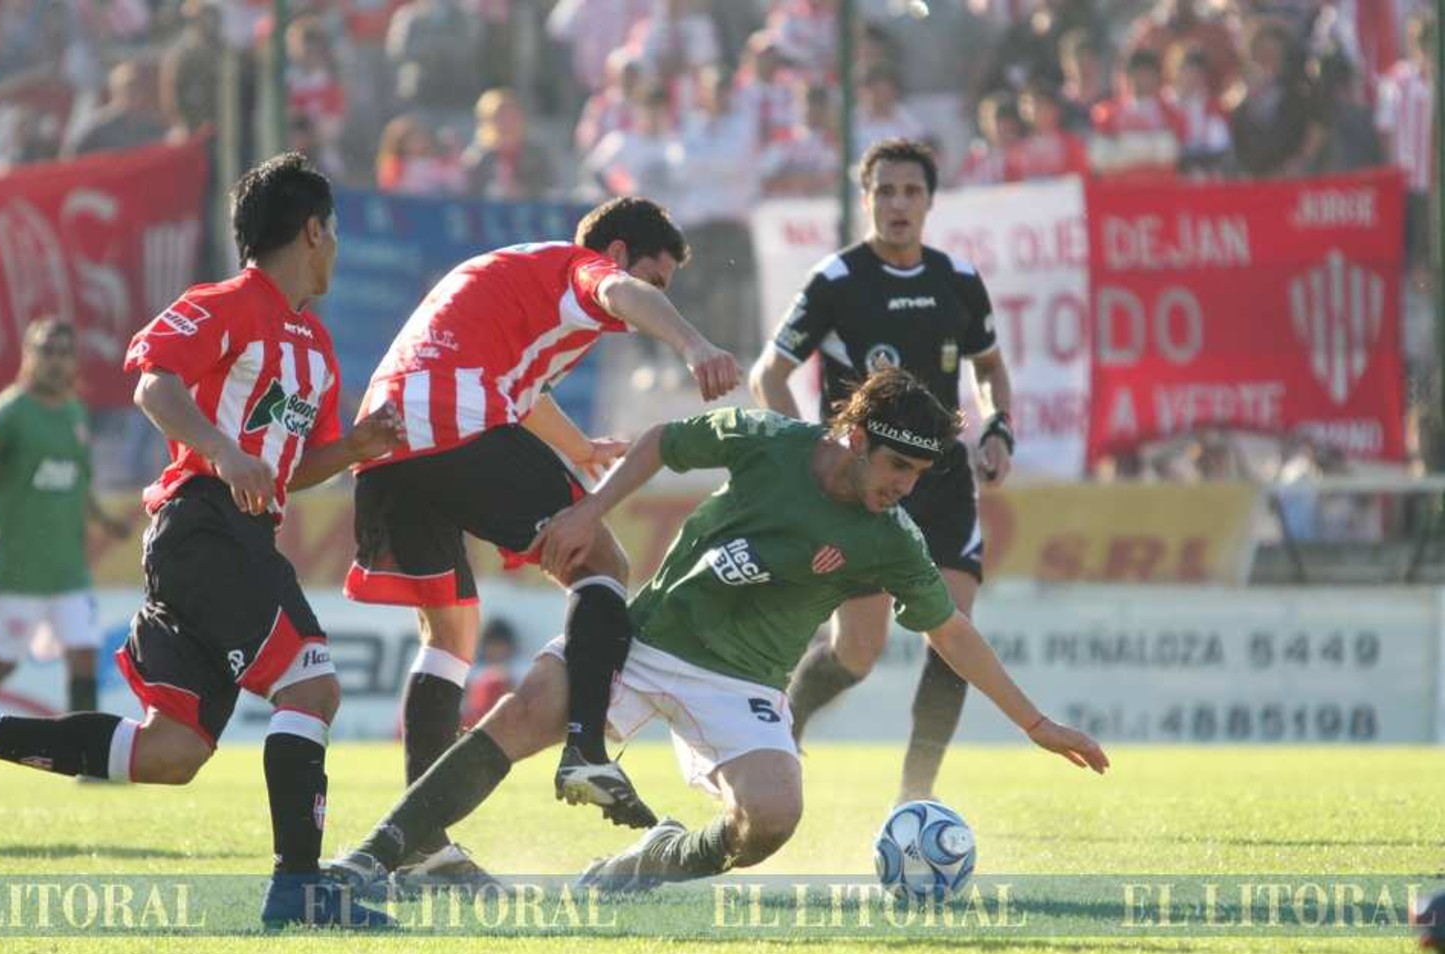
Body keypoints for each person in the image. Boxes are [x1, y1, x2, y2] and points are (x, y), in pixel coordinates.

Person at [326, 369, 1106, 891]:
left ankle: (656, 860)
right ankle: (374, 857)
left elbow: (953, 633)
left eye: (914, 478)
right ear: (857, 438)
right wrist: (592, 508)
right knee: (523, 711)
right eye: (896, 470)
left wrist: (1034, 722)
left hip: (742, 685)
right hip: (646, 640)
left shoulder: (890, 538)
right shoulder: (771, 444)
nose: (901, 491)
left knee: (772, 819)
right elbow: (664, 440)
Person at [0, 153, 402, 929]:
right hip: (205, 528)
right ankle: (299, 890)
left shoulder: (316, 350)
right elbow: (153, 382)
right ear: (310, 231)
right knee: (314, 688)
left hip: (227, 534)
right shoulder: (229, 303)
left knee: (173, 754)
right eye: (330, 231)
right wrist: (223, 453)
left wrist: (357, 448)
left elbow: (285, 474)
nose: (334, 246)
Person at [342, 196, 740, 873]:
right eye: (656, 279)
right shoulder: (583, 271)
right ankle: (584, 747)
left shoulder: (522, 280)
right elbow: (615, 290)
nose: (652, 298)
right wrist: (693, 343)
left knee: (449, 636)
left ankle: (422, 849)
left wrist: (579, 448)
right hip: (452, 415)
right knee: (600, 559)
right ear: (616, 253)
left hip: (386, 439)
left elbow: (521, 391)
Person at [748, 138, 1015, 806]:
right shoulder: (836, 282)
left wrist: (998, 425)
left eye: (911, 191)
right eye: (884, 191)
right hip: (862, 489)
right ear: (866, 198)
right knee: (857, 654)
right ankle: (790, 718)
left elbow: (989, 367)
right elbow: (767, 375)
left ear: (929, 200)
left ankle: (914, 796)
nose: (897, 204)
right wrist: (810, 453)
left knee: (953, 633)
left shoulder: (956, 280)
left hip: (944, 482)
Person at [0, 317, 130, 787]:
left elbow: (79, 483)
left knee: (84, 653)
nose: (56, 359)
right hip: (16, 567)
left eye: (65, 351)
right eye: (47, 350)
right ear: (29, 354)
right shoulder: (8, 413)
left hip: (67, 568)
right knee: (1, 661)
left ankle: (87, 762)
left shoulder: (74, 415)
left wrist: (104, 520)